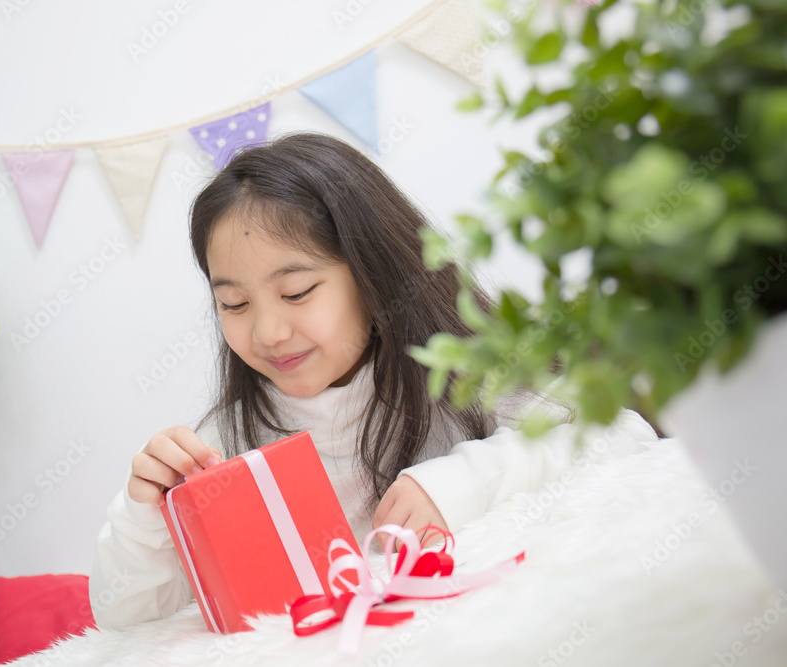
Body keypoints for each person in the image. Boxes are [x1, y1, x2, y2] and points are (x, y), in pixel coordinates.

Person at [88, 132, 659, 630]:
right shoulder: (227, 444)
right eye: (233, 303)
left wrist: (463, 481)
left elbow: (626, 438)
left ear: (373, 272)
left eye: (297, 293)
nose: (268, 331)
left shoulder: (463, 372)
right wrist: (144, 515)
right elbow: (125, 619)